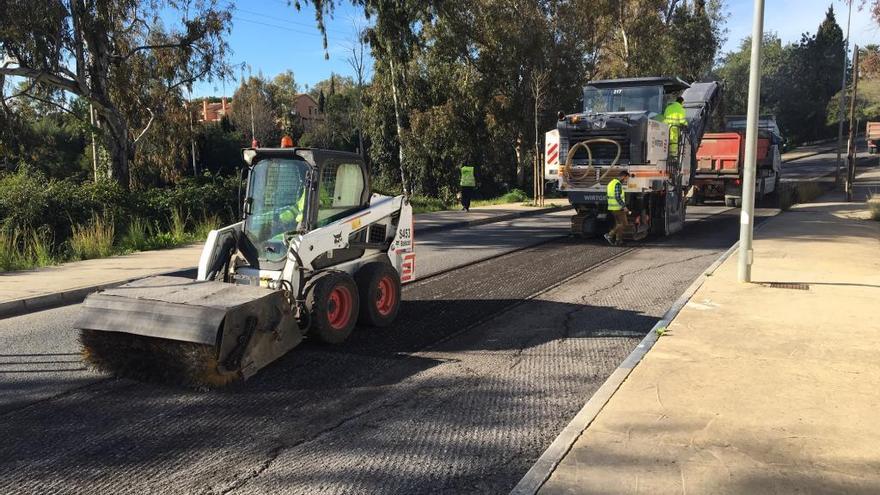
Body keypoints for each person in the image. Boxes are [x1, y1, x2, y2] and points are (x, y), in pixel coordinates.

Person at [604, 170, 630, 246]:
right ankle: (609, 235)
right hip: (618, 208)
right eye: (626, 178)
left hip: (612, 207)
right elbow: (617, 197)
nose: (626, 180)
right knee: (624, 223)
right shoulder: (617, 184)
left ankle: (618, 241)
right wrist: (624, 206)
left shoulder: (611, 183)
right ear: (623, 176)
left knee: (619, 224)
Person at [663, 96, 687, 160]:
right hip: (674, 128)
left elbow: (664, 116)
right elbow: (682, 120)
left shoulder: (668, 107)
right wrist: (686, 124)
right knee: (674, 142)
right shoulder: (681, 109)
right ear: (681, 102)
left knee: (666, 141)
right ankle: (673, 156)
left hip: (665, 127)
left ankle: (665, 154)